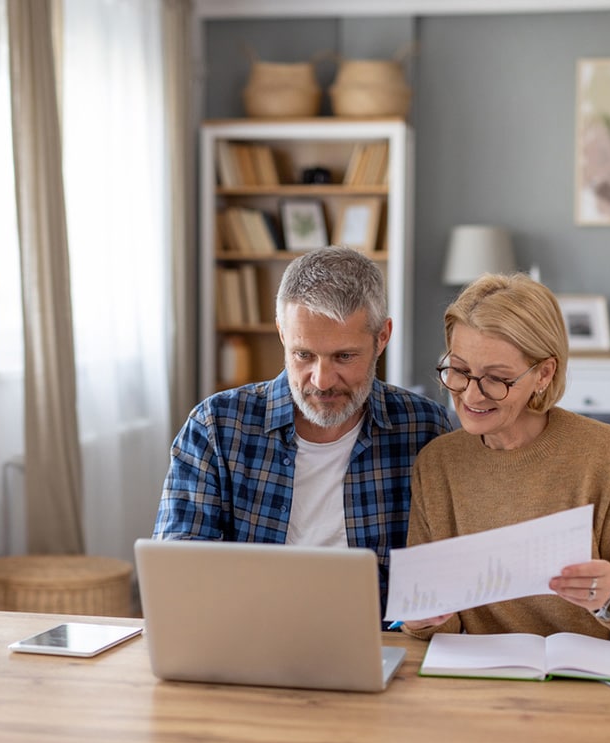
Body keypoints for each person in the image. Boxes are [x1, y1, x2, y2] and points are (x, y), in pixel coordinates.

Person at [154, 246, 452, 615]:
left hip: (379, 639)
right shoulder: (216, 426)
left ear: (382, 337)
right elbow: (178, 569)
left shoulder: (425, 429)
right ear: (282, 334)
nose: (322, 381)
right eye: (304, 355)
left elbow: (445, 569)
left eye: (344, 356)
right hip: (248, 633)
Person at [401, 272, 610, 644]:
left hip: (601, 669)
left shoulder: (601, 452)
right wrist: (424, 617)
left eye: (496, 378)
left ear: (543, 374)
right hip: (493, 672)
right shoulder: (438, 464)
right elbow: (440, 626)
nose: (470, 396)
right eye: (459, 371)